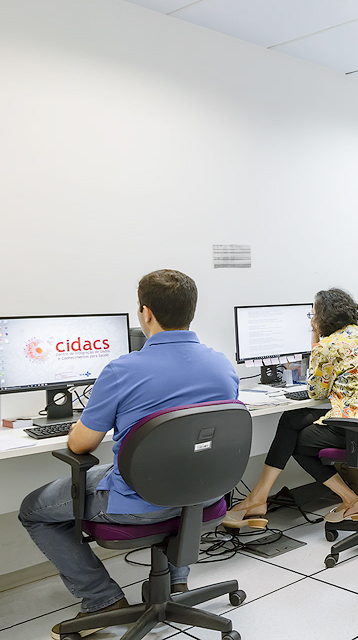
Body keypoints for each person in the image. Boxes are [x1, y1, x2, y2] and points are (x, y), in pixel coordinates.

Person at [19, 269, 239, 637]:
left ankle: (102, 599)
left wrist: (77, 427)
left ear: (145, 313)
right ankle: (177, 583)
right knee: (184, 467)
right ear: (192, 311)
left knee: (32, 510)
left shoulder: (123, 370)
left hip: (139, 505)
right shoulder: (221, 365)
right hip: (206, 495)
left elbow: (81, 445)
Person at [225, 288, 358, 527]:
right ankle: (258, 497)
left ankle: (350, 500)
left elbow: (316, 392)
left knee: (297, 441)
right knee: (291, 419)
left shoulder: (327, 345)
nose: (311, 320)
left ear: (321, 318)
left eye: (313, 315)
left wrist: (316, 340)